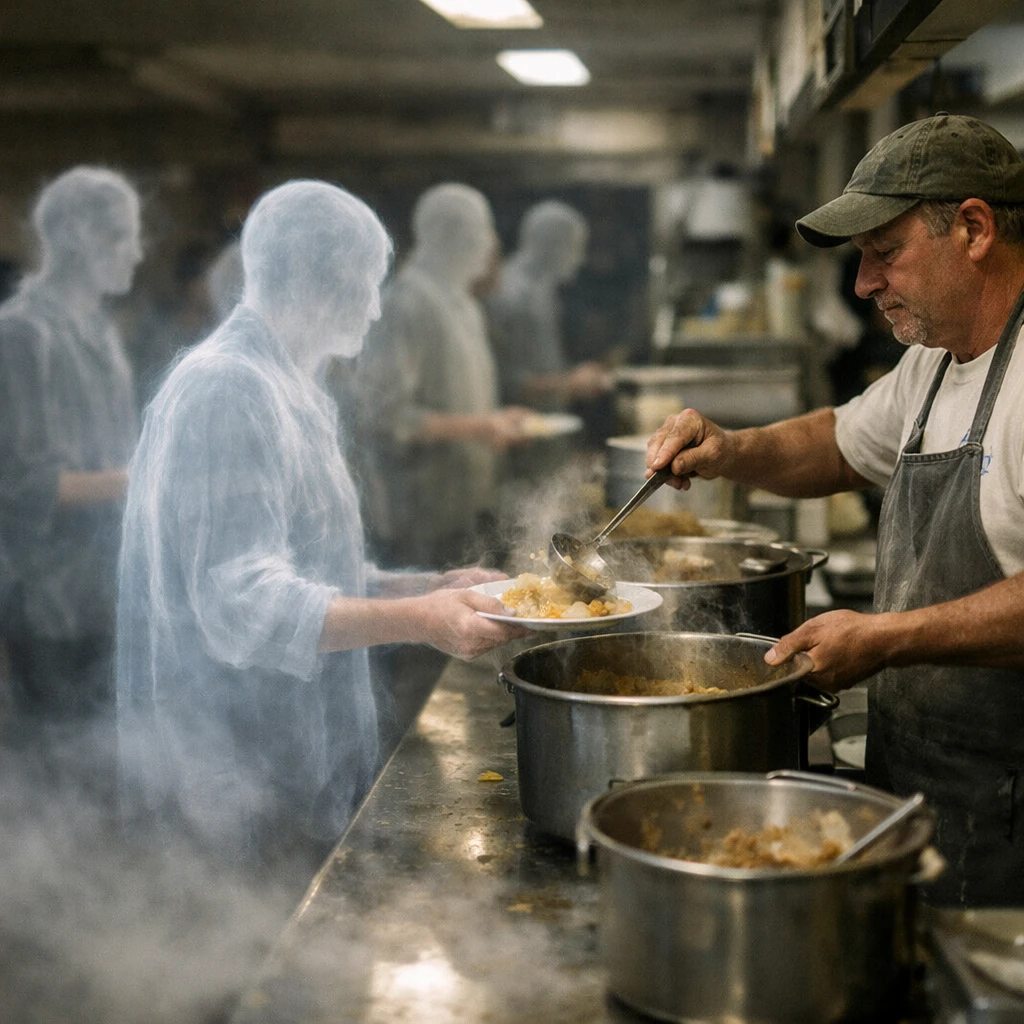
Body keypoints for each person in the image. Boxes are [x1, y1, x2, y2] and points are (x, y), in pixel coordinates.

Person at [644, 114, 1024, 907]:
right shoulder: (931, 365)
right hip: (916, 783)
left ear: (975, 229)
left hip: (1009, 810)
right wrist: (731, 449)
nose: (863, 285)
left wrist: (887, 637)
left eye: (885, 254)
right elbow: (840, 443)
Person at [116, 181, 528, 885]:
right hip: (237, 774)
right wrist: (419, 620)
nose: (375, 306)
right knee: (252, 974)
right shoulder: (227, 389)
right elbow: (241, 605)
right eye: (367, 285)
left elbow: (307, 571)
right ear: (318, 281)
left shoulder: (291, 384)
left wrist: (429, 586)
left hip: (296, 756)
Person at [0, 167, 141, 777]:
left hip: (102, 590)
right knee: (58, 775)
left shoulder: (100, 332)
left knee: (106, 770)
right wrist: (142, 482)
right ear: (82, 237)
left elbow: (120, 453)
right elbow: (21, 487)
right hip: (47, 600)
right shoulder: (23, 336)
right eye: (124, 237)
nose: (138, 252)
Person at [352, 182, 532, 569]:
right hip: (419, 516)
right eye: (481, 231)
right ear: (451, 237)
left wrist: (492, 421)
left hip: (466, 505)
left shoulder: (463, 302)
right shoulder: (406, 302)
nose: (489, 244)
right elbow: (382, 416)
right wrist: (479, 427)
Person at [486, 200, 611, 410]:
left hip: (546, 419)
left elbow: (540, 366)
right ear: (551, 244)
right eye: (575, 247)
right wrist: (569, 383)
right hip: (518, 425)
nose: (579, 259)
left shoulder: (542, 287)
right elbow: (504, 381)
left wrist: (571, 381)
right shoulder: (509, 293)